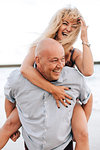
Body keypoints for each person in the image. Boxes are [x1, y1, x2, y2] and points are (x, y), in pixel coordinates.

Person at [0, 6, 93, 149]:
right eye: (65, 23)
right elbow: (25, 69)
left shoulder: (73, 52)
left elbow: (88, 71)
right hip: (39, 93)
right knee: (9, 125)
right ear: (57, 23)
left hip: (66, 98)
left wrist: (84, 38)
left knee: (82, 134)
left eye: (74, 26)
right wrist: (53, 90)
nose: (69, 29)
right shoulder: (41, 45)